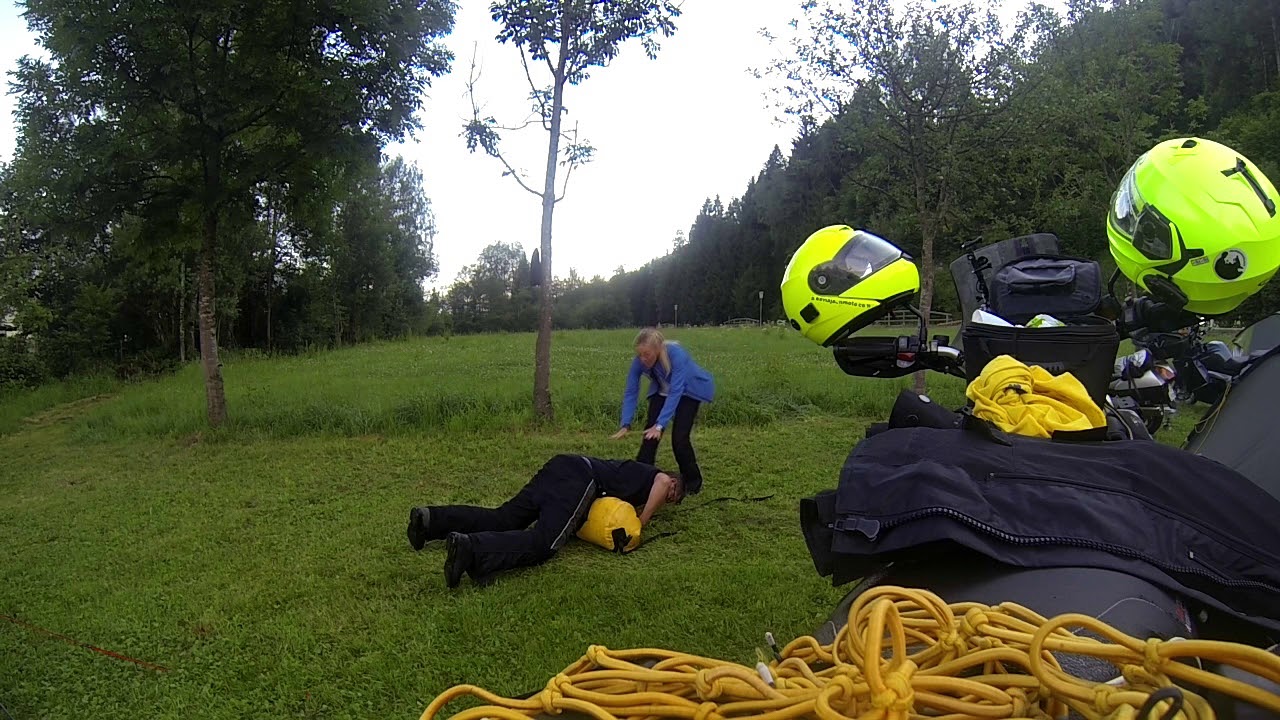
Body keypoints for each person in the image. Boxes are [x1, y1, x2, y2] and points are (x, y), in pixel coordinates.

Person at [406, 454, 684, 588]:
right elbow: (661, 482)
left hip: (562, 465)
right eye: (673, 493)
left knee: (504, 517)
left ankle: (430, 519)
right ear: (672, 481)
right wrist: (643, 520)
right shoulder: (655, 476)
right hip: (578, 480)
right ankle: (471, 550)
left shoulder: (630, 478)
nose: (668, 499)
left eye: (671, 500)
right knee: (543, 544)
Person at [611, 327, 715, 496]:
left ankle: (692, 482)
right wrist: (626, 423)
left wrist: (660, 425)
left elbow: (676, 391)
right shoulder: (640, 361)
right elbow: (631, 391)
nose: (643, 359)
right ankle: (641, 477)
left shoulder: (677, 355)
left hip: (688, 392)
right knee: (649, 435)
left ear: (658, 349)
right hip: (662, 391)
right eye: (640, 355)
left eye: (647, 355)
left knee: (679, 439)